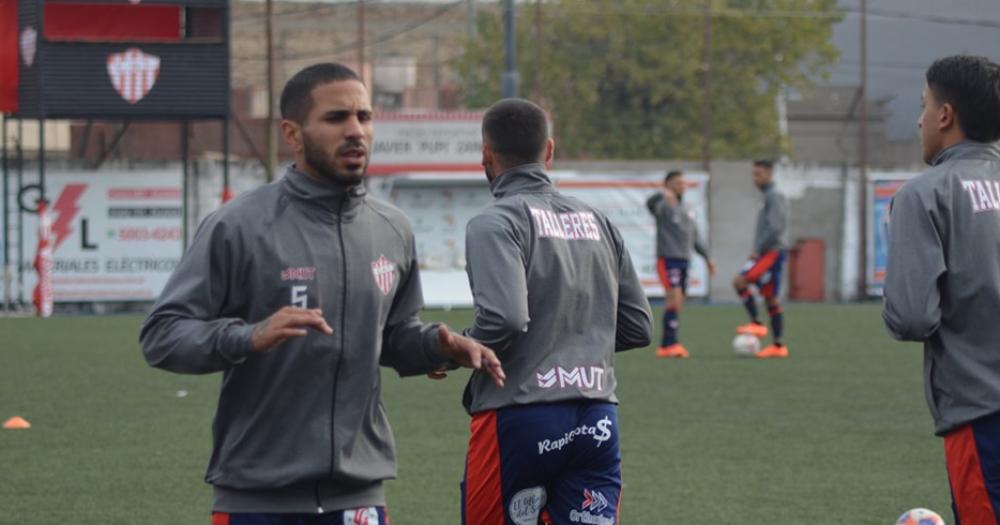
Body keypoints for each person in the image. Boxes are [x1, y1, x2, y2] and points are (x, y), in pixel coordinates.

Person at [139, 63, 505, 525]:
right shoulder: (239, 227)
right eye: (337, 118)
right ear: (293, 134)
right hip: (257, 496)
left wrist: (437, 345)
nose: (356, 131)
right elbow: (162, 335)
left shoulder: (392, 228)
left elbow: (392, 336)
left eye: (365, 117)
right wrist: (248, 337)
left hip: (358, 495)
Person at [457, 98, 653, 525]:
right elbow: (638, 326)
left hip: (519, 416)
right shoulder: (599, 221)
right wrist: (575, 343)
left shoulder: (495, 223)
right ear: (549, 151)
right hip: (597, 416)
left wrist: (456, 348)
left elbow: (505, 318)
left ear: (485, 155)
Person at [882, 55, 1000, 525]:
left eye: (924, 105)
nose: (919, 118)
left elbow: (911, 316)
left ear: (945, 115)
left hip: (980, 406)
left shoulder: (924, 193)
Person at [646, 170, 716, 358]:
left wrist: (707, 258)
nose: (681, 186)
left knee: (677, 303)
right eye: (676, 183)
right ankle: (671, 344)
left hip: (685, 260)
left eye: (682, 183)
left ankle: (666, 345)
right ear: (668, 185)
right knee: (674, 298)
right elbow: (650, 205)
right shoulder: (663, 205)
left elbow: (695, 237)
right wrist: (662, 195)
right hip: (668, 260)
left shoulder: (687, 209)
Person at [732, 159, 789, 358]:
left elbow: (776, 227)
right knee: (770, 299)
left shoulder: (774, 196)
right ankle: (778, 345)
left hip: (772, 251)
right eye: (754, 174)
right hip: (768, 251)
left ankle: (757, 323)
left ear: (769, 174)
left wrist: (758, 248)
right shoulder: (766, 196)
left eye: (759, 174)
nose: (755, 178)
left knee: (740, 281)